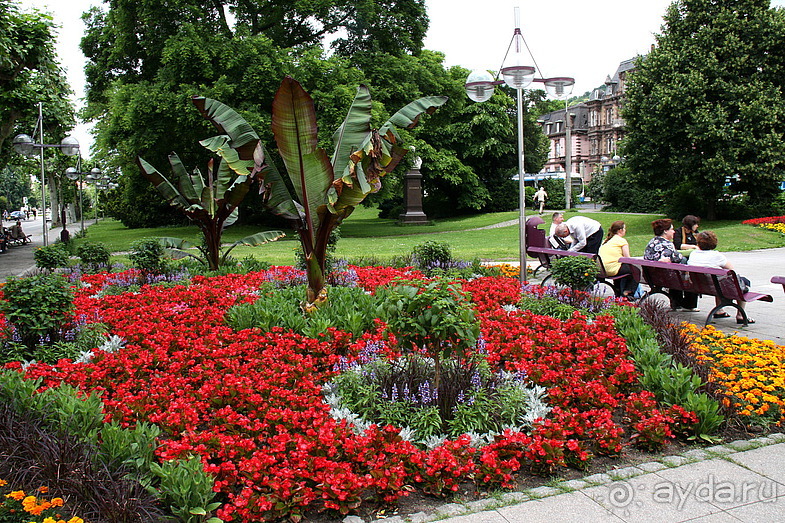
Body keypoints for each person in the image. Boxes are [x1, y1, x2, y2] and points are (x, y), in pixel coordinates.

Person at [688, 230, 754, 324]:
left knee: (716, 281)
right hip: (715, 287)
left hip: (702, 286)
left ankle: (719, 311)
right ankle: (740, 315)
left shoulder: (693, 254)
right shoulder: (717, 255)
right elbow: (732, 271)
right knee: (742, 283)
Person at [643, 218, 700, 311]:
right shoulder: (667, 244)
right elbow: (678, 258)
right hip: (665, 278)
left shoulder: (652, 242)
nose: (674, 232)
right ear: (665, 231)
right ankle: (689, 305)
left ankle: (677, 303)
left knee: (677, 271)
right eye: (672, 229)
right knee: (690, 272)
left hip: (652, 277)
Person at [598, 220, 636, 298]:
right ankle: (628, 291)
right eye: (624, 229)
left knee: (621, 267)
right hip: (612, 270)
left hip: (602, 269)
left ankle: (618, 289)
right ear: (620, 230)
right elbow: (627, 258)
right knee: (635, 269)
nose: (625, 230)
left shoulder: (606, 241)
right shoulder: (621, 241)